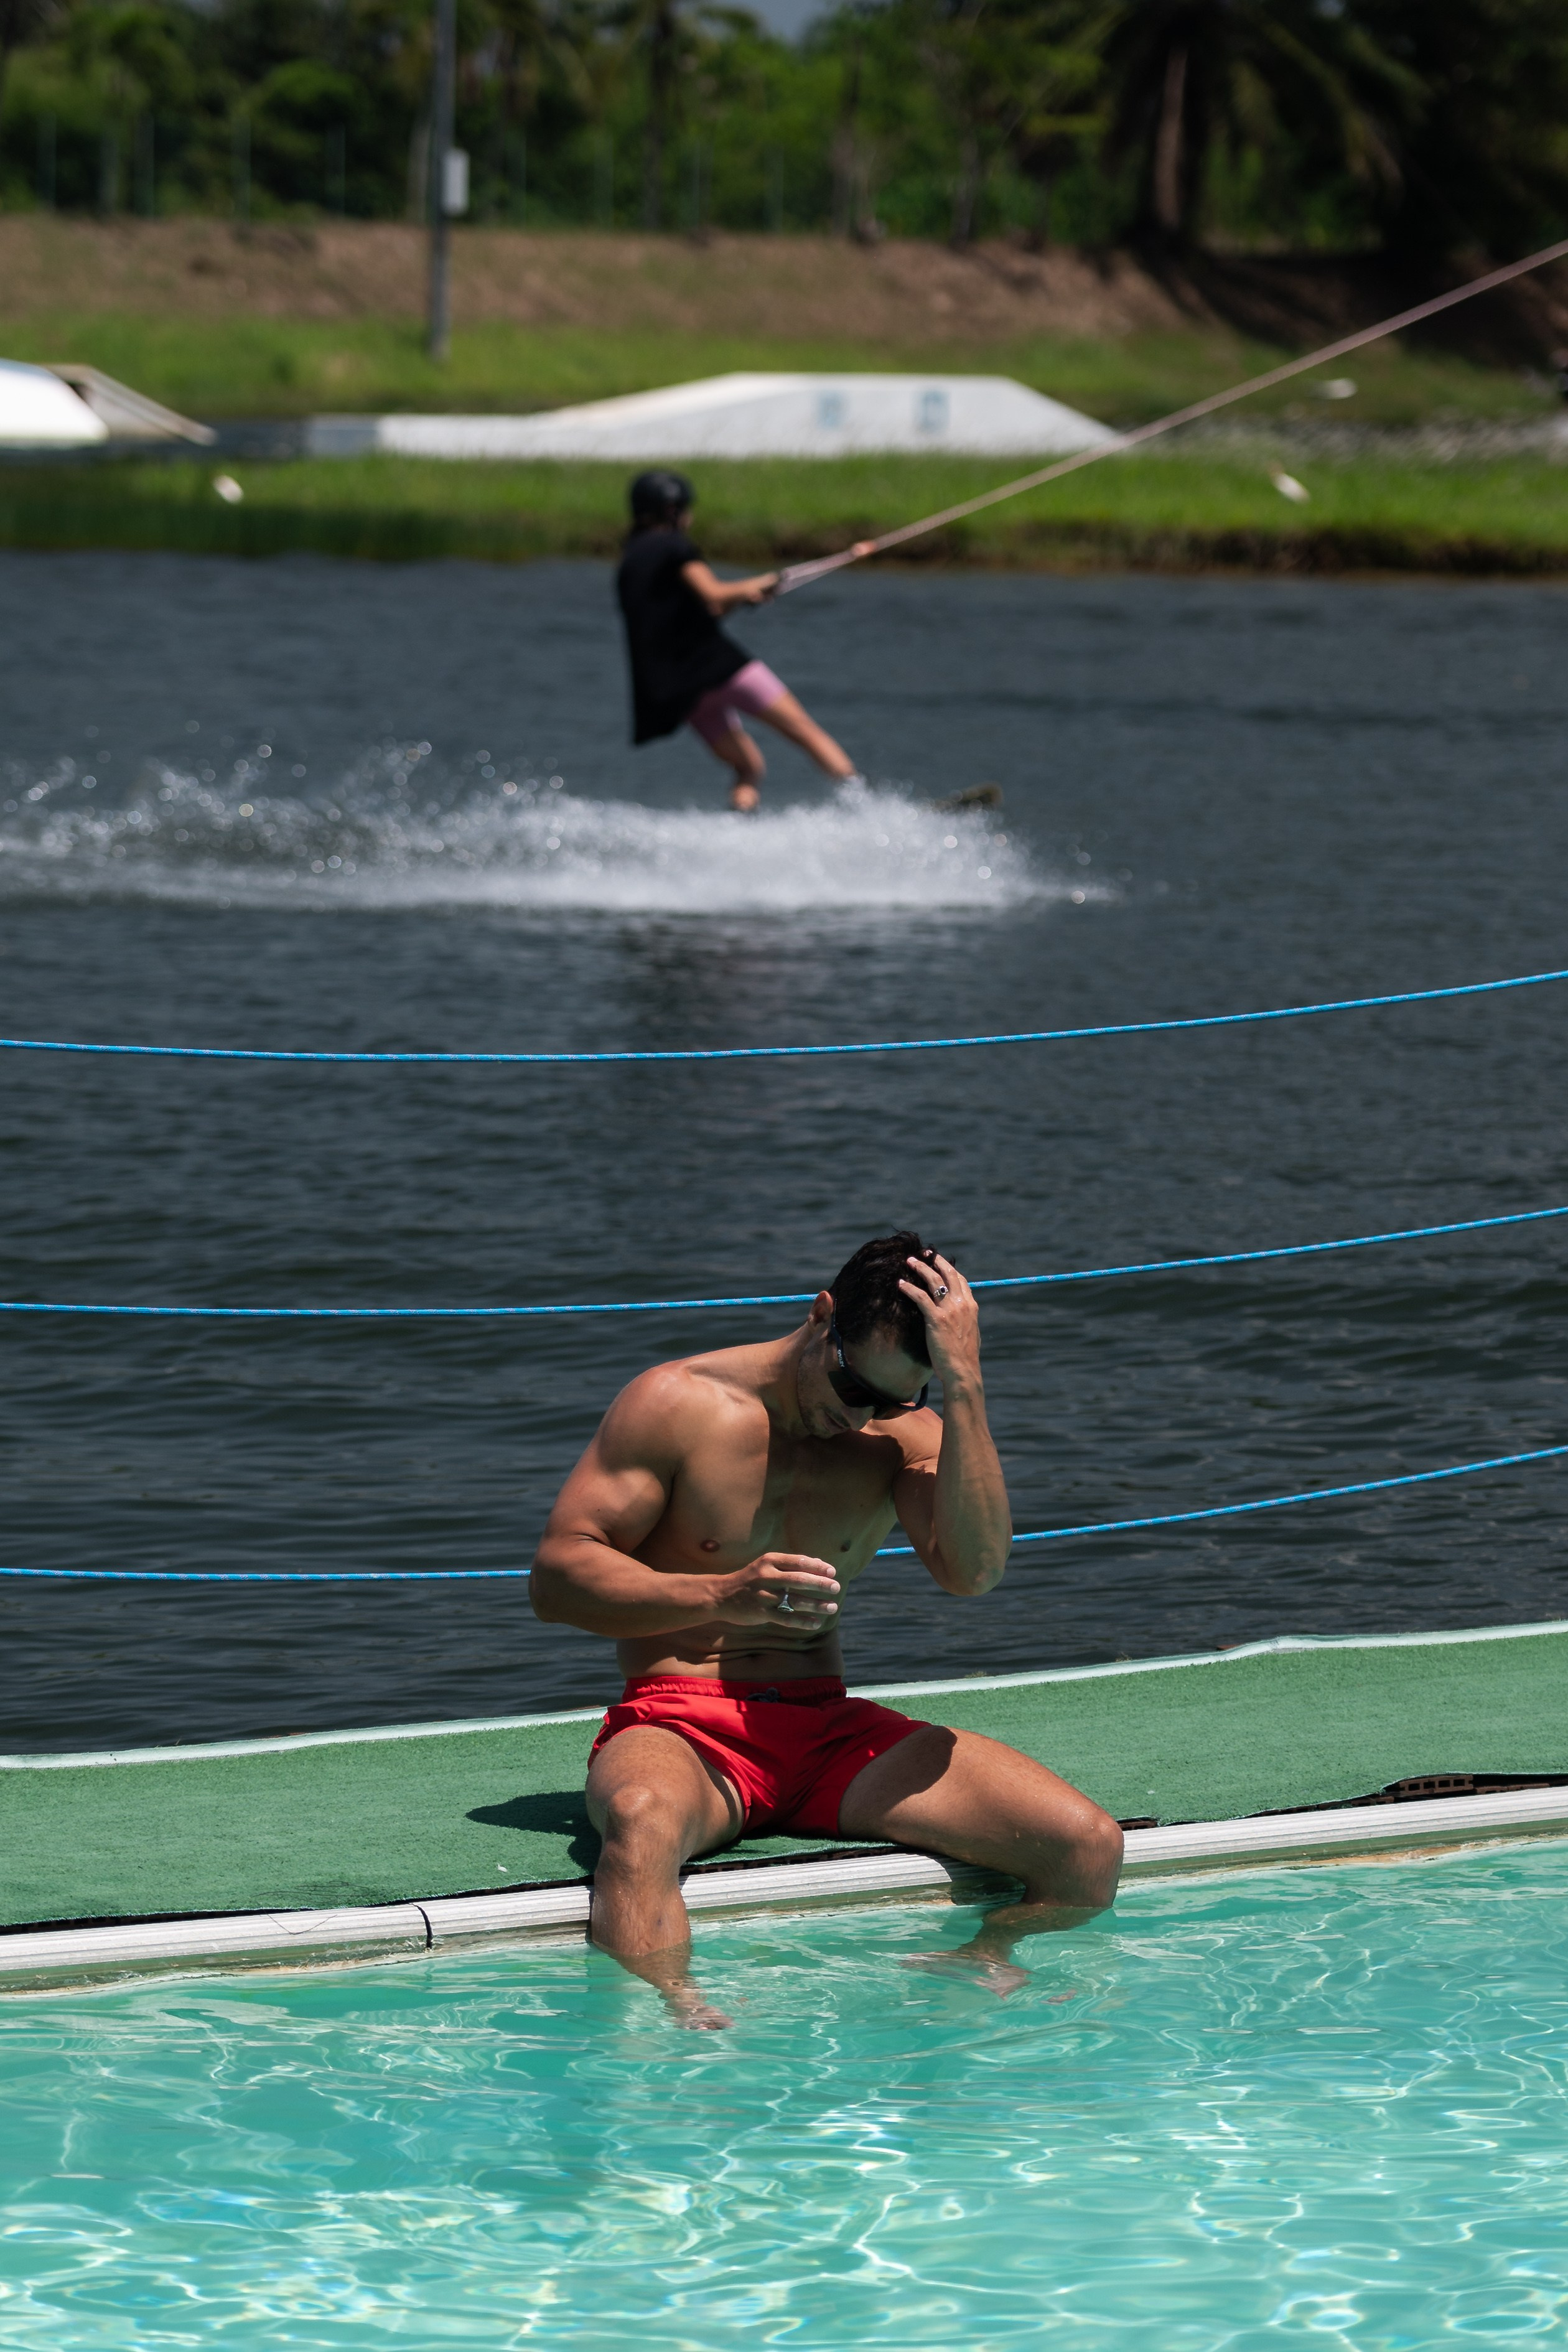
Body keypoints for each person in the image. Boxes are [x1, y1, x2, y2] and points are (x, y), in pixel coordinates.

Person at [531, 1231, 1124, 2030]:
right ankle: (667, 2028)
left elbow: (973, 1573)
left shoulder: (902, 1436)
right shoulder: (678, 1404)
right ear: (821, 1317)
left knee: (1086, 1847)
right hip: (684, 1725)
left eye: (893, 1399)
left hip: (828, 1734)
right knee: (640, 1821)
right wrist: (719, 1592)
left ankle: (978, 1957)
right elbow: (556, 1579)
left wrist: (966, 1392)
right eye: (853, 1384)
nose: (860, 1415)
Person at [615, 468, 863, 811]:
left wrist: (742, 598)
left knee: (748, 768)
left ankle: (740, 827)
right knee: (806, 733)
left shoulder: (631, 561)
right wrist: (761, 582)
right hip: (719, 668)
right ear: (672, 510)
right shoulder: (674, 546)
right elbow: (714, 595)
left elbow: (697, 613)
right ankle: (867, 811)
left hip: (679, 690)